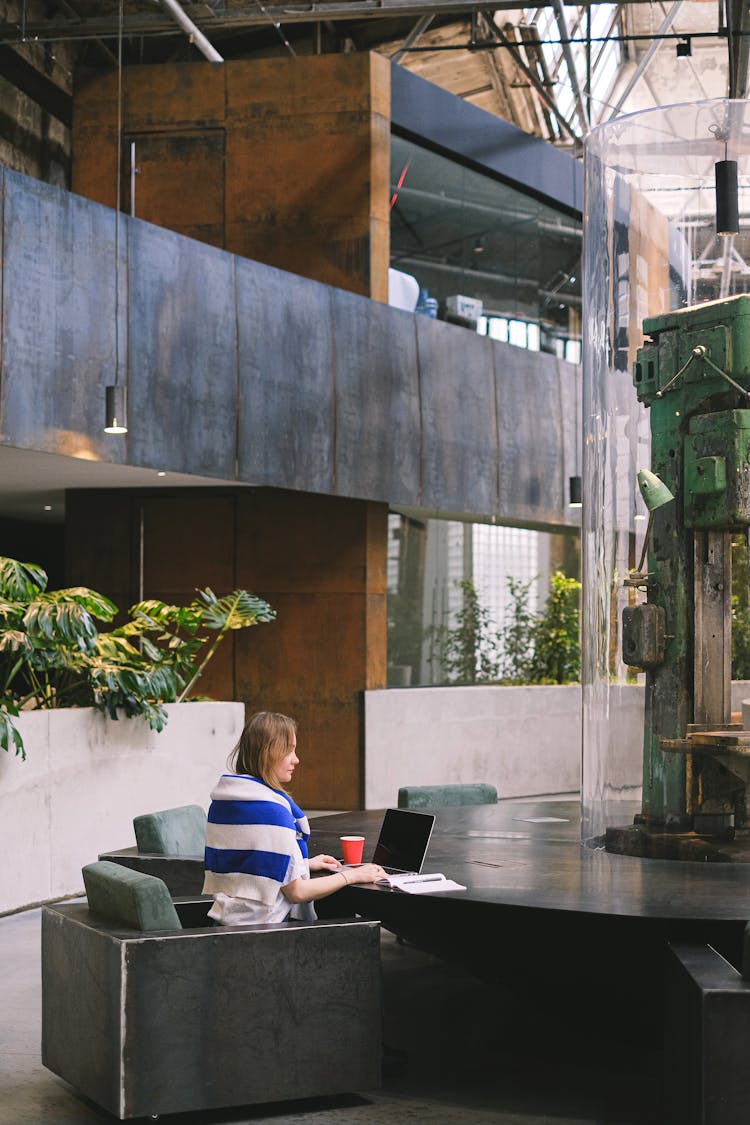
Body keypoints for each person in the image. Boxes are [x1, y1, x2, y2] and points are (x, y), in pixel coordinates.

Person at [203, 710, 385, 925]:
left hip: (227, 922)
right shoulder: (270, 812)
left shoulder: (226, 801)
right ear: (268, 753)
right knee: (351, 919)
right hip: (265, 933)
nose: (296, 760)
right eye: (289, 751)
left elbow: (250, 865)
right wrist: (352, 876)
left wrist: (302, 865)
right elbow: (297, 893)